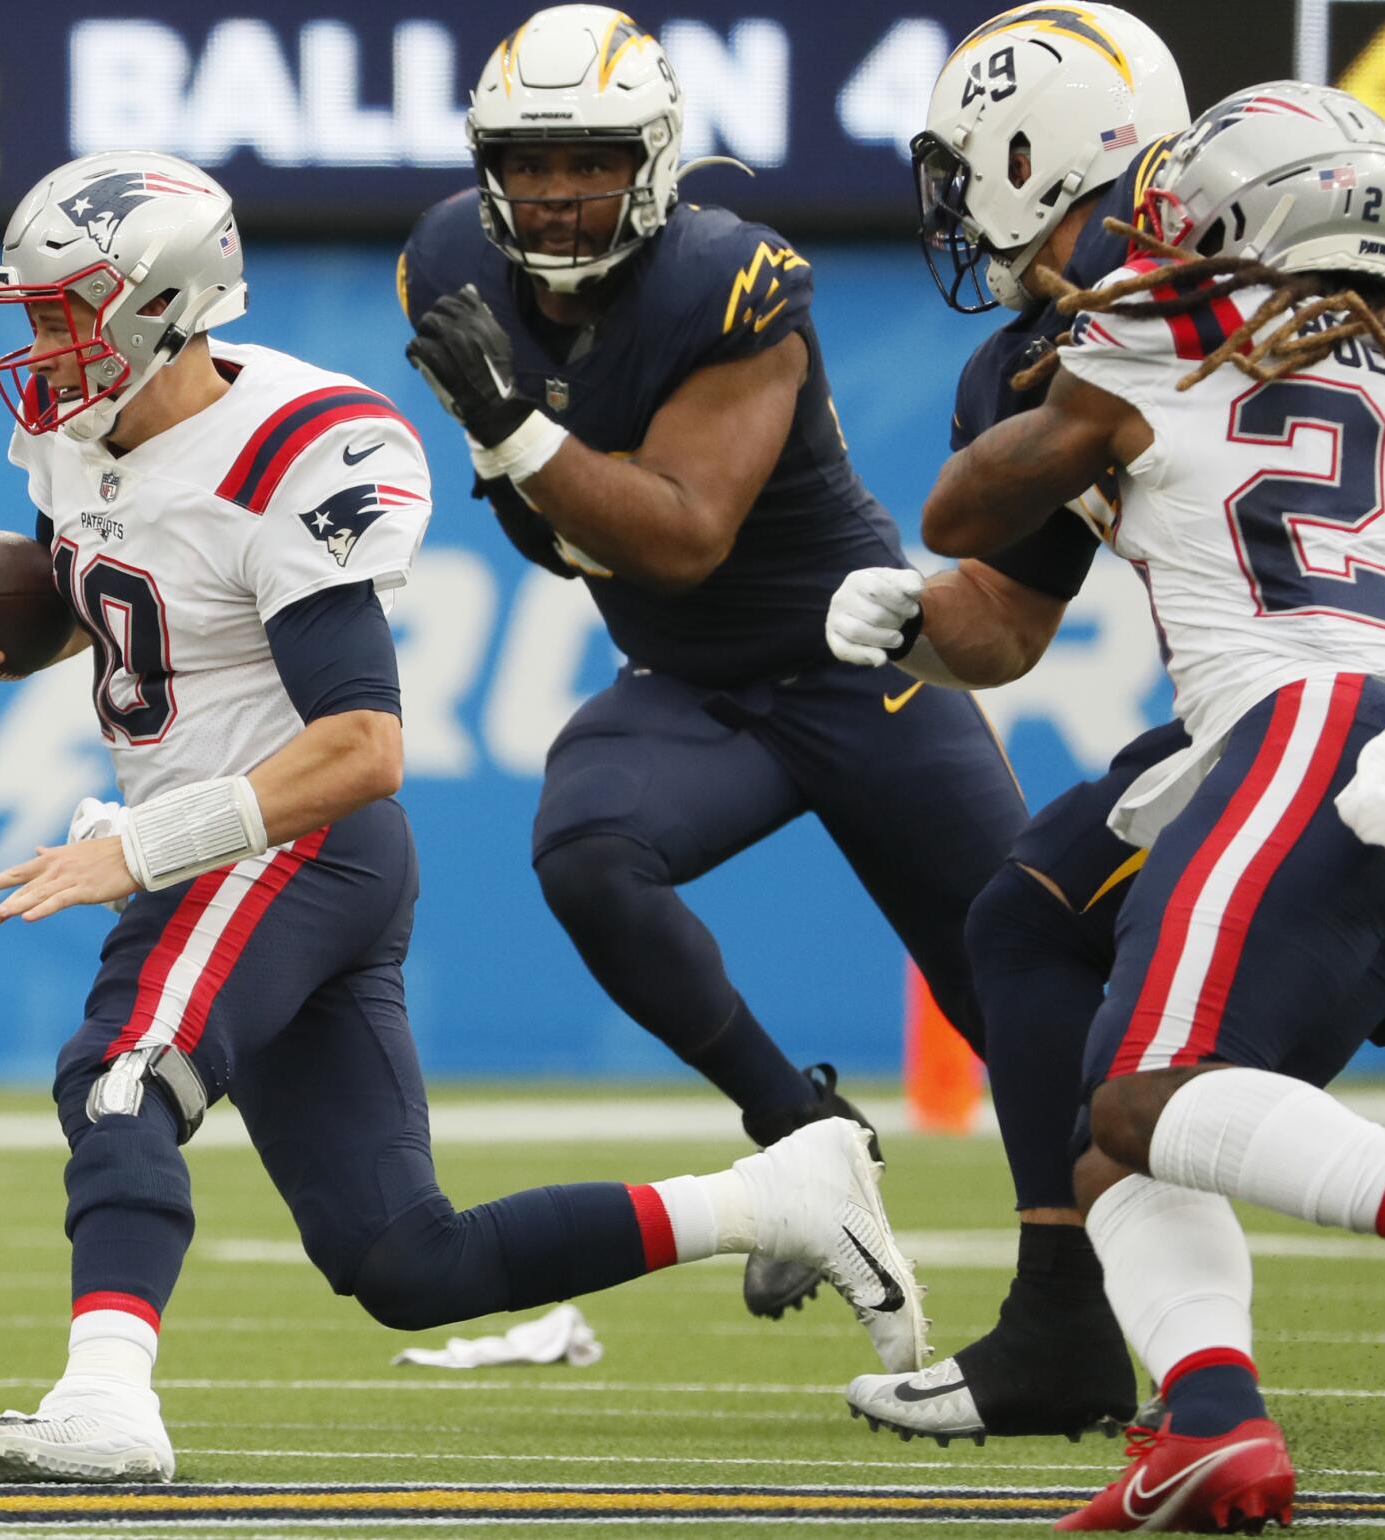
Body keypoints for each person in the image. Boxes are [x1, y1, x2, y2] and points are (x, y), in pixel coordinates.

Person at [0, 149, 923, 1485]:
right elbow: (125, 612)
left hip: (286, 843)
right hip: (257, 849)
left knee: (124, 1074)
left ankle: (104, 1406)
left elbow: (363, 748)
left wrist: (134, 850)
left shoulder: (287, 455)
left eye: (64, 314)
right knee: (402, 1259)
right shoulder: (85, 433)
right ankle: (778, 1197)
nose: (41, 345)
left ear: (157, 307)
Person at [829, 0, 1385, 1448]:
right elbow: (1009, 625)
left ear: (1021, 150)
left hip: (1307, 723)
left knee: (1138, 1066)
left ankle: (1090, 1332)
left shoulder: (1138, 302)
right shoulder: (1303, 283)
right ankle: (1181, 1394)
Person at [400, 3, 1026, 1321]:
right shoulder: (450, 261)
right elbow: (559, 539)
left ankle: (1079, 1312)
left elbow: (683, 536)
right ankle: (806, 1136)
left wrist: (512, 436)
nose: (559, 193)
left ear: (658, 157)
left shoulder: (733, 282)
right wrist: (522, 469)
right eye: (530, 159)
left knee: (1014, 992)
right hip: (693, 687)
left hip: (860, 663)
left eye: (591, 160)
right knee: (587, 850)